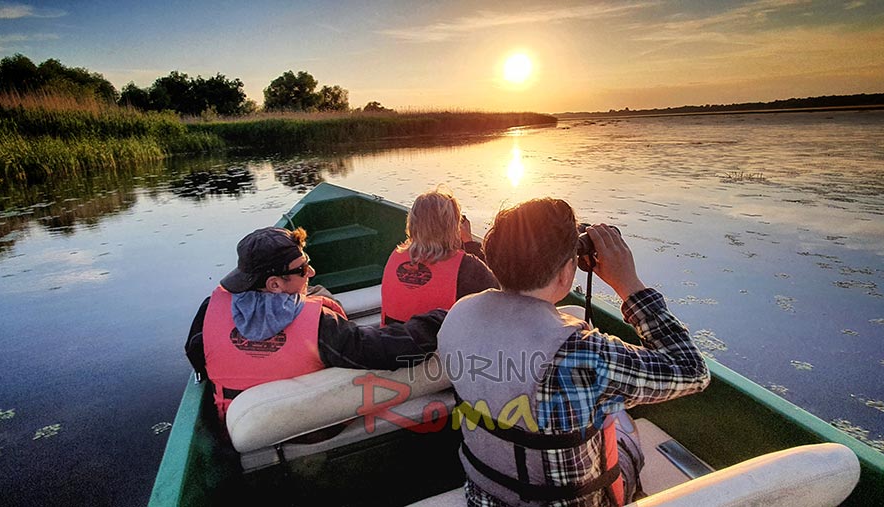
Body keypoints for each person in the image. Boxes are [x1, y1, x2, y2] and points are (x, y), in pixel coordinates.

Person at [438, 198, 711, 507]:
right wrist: (628, 283)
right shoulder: (579, 353)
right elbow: (692, 370)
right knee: (622, 425)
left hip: (485, 496)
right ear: (567, 272)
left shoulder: (460, 314)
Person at [185, 226, 443, 418]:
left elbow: (196, 351)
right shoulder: (321, 325)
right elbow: (388, 350)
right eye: (301, 269)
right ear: (274, 284)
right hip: (306, 430)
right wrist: (443, 318)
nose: (311, 271)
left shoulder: (209, 310)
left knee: (316, 291)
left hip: (233, 424)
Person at [381, 189, 499, 325]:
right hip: (439, 345)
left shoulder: (396, 256)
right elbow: (500, 293)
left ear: (412, 224)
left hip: (394, 343)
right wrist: (469, 242)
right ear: (453, 227)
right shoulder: (468, 268)